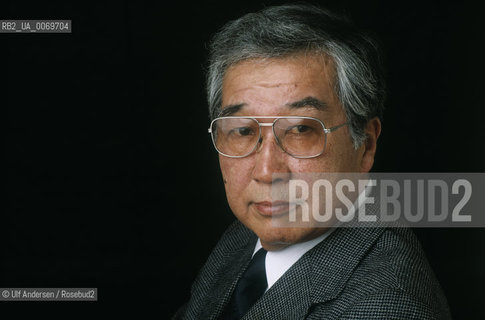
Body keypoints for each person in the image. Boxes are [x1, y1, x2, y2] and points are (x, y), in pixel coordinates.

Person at [173, 3, 451, 319]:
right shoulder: (250, 231)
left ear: (366, 145)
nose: (266, 172)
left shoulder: (387, 306)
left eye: (301, 129)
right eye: (243, 130)